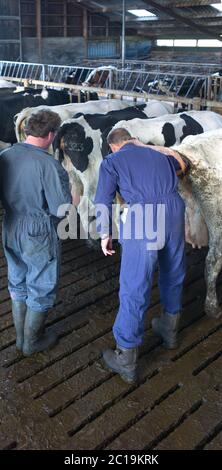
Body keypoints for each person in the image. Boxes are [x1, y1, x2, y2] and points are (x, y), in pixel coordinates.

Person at [95, 128, 187, 383]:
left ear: (114, 146)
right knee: (174, 270)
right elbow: (182, 164)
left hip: (144, 216)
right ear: (131, 140)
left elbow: (103, 199)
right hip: (175, 210)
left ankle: (125, 357)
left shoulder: (112, 161)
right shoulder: (158, 155)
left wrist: (105, 233)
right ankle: (170, 330)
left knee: (135, 284)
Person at [0, 109, 72, 356]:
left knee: (17, 278)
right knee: (41, 284)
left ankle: (21, 339)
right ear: (51, 135)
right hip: (38, 228)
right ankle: (32, 343)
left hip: (10, 223)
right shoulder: (49, 165)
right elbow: (60, 209)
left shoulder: (5, 154)